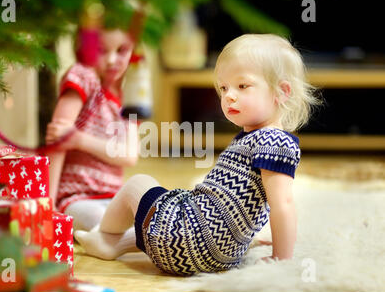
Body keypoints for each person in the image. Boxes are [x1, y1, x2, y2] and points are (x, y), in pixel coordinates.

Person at [74, 33, 321, 276]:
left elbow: (283, 204)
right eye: (224, 88)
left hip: (186, 243)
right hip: (217, 257)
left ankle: (102, 232)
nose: (229, 96)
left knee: (138, 184)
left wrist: (282, 258)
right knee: (169, 208)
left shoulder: (273, 141)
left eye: (242, 86)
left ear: (282, 92)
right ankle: (113, 245)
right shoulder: (260, 139)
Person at [46, 27, 139, 231]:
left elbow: (129, 155)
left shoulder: (129, 95)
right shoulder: (83, 76)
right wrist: (48, 205)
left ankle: (126, 240)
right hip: (76, 198)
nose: (112, 60)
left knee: (146, 204)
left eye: (121, 50)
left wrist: (79, 140)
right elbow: (57, 139)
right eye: (102, 50)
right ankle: (122, 240)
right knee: (105, 224)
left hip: (115, 198)